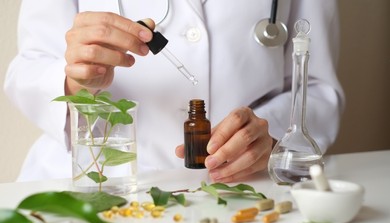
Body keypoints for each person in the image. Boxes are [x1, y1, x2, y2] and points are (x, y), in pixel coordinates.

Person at [4, 0, 344, 183]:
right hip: (99, 184)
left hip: (243, 187)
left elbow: (316, 88)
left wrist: (268, 136)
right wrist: (75, 81)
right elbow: (28, 69)